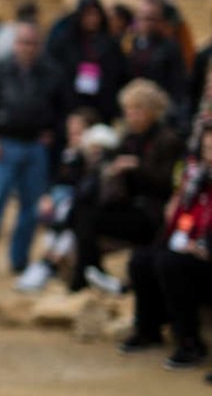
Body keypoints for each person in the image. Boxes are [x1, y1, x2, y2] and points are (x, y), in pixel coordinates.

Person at [0, 21, 67, 276]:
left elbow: (62, 108)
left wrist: (53, 133)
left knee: (31, 206)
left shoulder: (50, 72)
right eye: (23, 42)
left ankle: (19, 259)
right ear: (14, 44)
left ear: (39, 45)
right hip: (2, 145)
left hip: (35, 147)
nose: (27, 48)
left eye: (32, 43)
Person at [68, 79, 183, 293]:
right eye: (128, 110)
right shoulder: (129, 138)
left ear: (152, 111)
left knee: (88, 218)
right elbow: (110, 166)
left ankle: (86, 276)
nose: (131, 115)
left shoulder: (168, 139)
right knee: (81, 211)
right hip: (127, 205)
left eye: (137, 109)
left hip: (151, 212)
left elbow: (168, 183)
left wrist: (136, 167)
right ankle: (89, 272)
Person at [121, 121, 212, 370]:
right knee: (143, 259)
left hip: (205, 255)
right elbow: (183, 219)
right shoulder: (197, 179)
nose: (209, 155)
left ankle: (191, 343)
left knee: (171, 263)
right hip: (189, 247)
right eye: (206, 149)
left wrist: (203, 248)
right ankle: (149, 330)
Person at [15, 110, 112, 292]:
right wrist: (48, 196)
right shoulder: (66, 153)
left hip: (82, 205)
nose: (73, 136)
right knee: (54, 216)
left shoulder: (95, 153)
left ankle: (50, 263)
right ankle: (47, 262)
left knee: (67, 215)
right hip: (63, 200)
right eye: (71, 132)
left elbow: (88, 186)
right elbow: (58, 180)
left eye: (78, 132)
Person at [47, 0, 127, 123]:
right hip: (73, 104)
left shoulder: (110, 44)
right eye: (87, 15)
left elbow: (119, 74)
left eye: (95, 15)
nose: (92, 19)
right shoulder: (67, 43)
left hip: (102, 105)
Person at [128, 0, 189, 130]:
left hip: (160, 115)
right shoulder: (130, 45)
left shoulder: (170, 48)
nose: (147, 23)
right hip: (134, 112)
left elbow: (178, 86)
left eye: (152, 18)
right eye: (143, 18)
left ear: (160, 21)